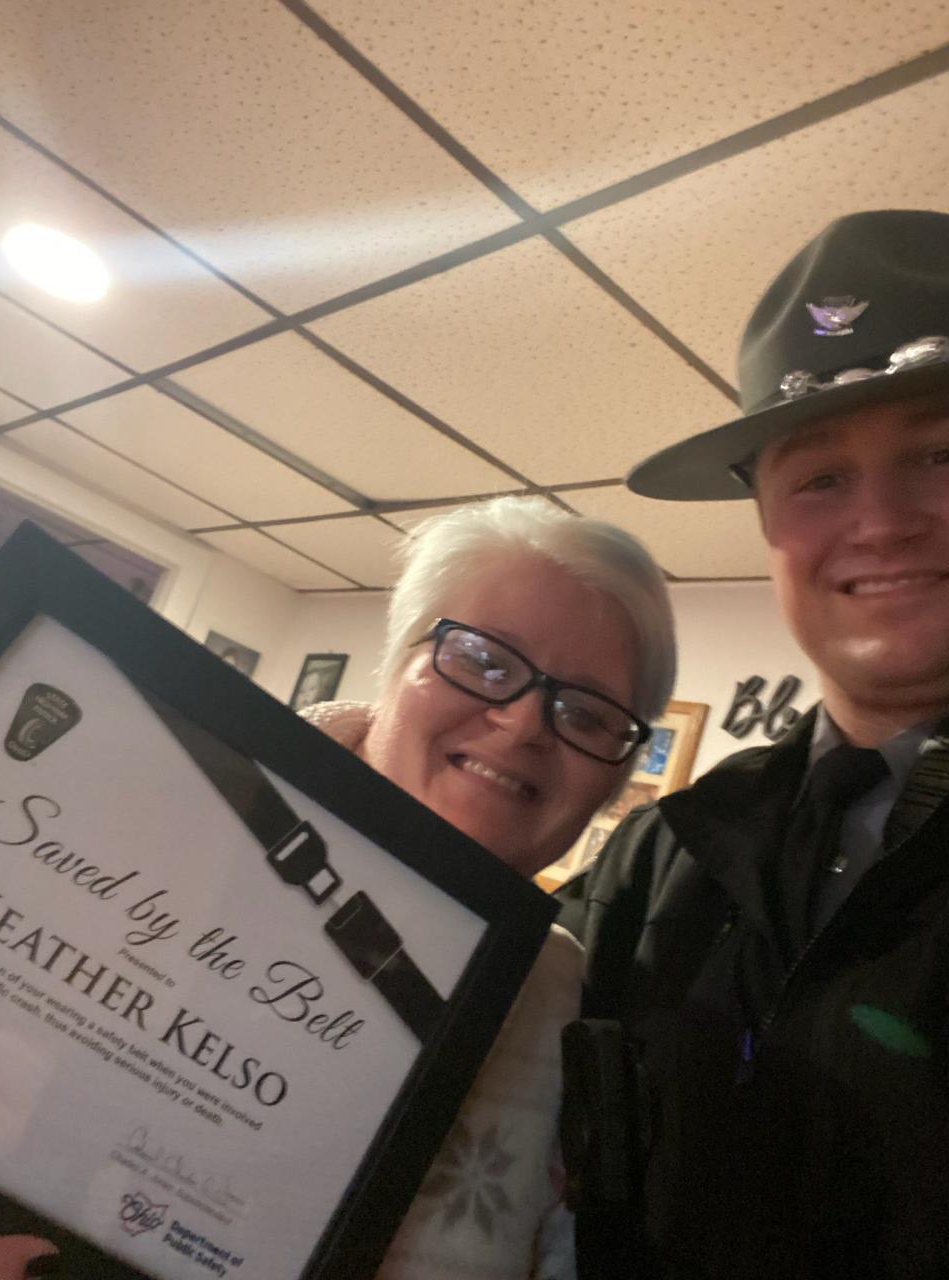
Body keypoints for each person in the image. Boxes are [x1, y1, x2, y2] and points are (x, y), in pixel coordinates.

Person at [556, 209, 949, 1280]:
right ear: (769, 520)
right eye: (819, 477)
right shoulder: (664, 847)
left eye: (938, 452)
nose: (882, 520)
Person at [301, 494, 676, 1280]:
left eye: (588, 710)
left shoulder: (562, 993)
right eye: (482, 660)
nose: (523, 724)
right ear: (396, 664)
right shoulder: (148, 824)